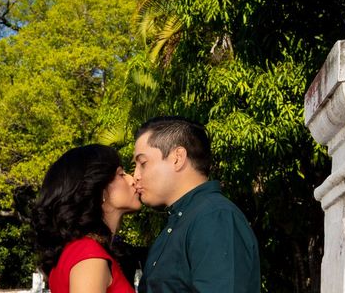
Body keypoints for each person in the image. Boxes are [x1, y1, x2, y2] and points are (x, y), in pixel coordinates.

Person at [133, 116, 260, 292]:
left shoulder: (214, 216)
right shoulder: (182, 220)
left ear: (177, 158)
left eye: (143, 163)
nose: (136, 176)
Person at [32, 144, 142, 293]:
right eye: (121, 174)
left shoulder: (79, 250)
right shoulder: (89, 255)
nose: (132, 179)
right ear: (99, 189)